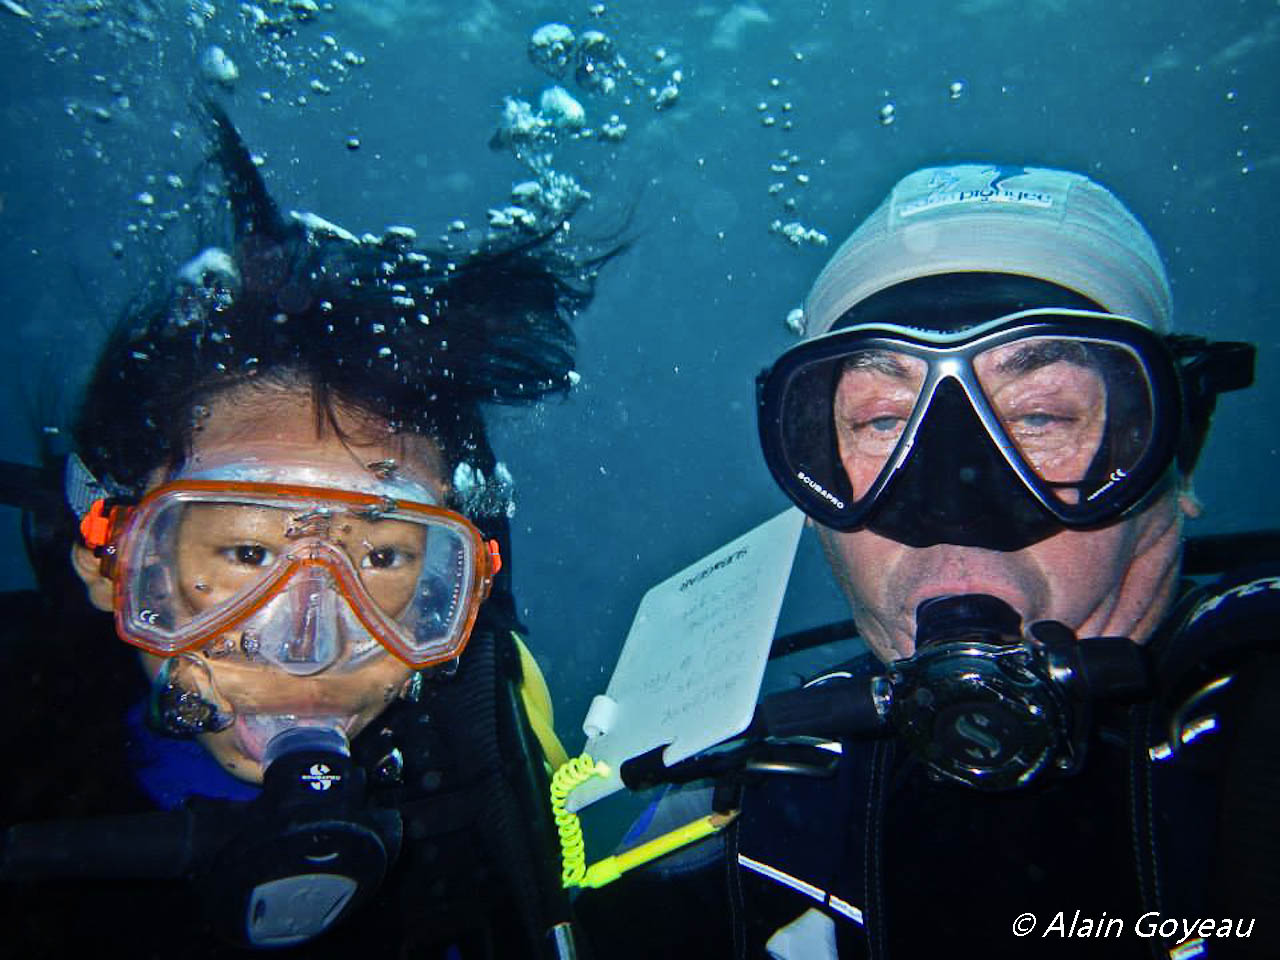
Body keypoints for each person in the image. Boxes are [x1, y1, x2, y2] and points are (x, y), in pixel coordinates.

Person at [576, 164, 1275, 958]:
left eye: (1041, 414)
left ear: (1175, 459)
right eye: (881, 422)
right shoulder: (753, 819)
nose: (951, 502)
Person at [0, 101, 619, 957]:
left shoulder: (478, 771)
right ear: (112, 565)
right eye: (249, 552)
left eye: (388, 556)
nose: (311, 648)